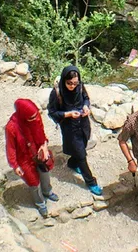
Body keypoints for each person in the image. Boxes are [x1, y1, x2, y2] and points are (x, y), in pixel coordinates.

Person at [47, 65, 103, 196]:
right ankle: (91, 182)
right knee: (82, 155)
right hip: (69, 127)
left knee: (82, 145)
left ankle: (72, 162)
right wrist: (68, 114)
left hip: (83, 124)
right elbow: (52, 112)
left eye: (75, 83)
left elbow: (86, 99)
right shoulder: (57, 93)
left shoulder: (80, 86)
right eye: (69, 83)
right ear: (64, 81)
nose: (72, 86)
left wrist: (86, 106)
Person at [5, 99, 59, 218]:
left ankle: (47, 191)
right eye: (31, 117)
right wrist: (15, 165)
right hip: (24, 158)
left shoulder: (35, 117)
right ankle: (40, 203)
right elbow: (11, 147)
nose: (35, 119)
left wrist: (44, 146)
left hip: (38, 151)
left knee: (44, 173)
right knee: (33, 182)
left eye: (35, 115)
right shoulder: (11, 127)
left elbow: (41, 132)